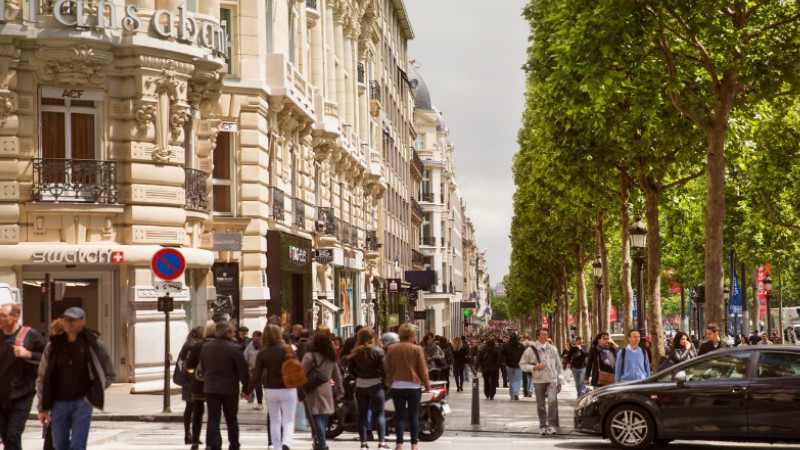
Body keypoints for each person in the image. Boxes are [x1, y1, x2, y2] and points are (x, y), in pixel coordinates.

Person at [36, 307, 115, 450]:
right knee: (59, 444)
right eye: (66, 320)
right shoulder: (53, 346)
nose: (68, 323)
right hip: (58, 403)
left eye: (72, 320)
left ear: (82, 321)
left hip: (82, 402)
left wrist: (93, 393)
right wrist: (42, 407)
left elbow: (109, 374)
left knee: (78, 445)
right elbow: (42, 376)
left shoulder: (94, 344)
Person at [0, 303, 46, 449]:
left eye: (3, 316)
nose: (0, 319)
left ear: (16, 316)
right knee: (6, 436)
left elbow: (48, 357)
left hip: (22, 393)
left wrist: (29, 354)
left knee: (13, 433)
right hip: (1, 395)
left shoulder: (30, 335)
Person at [199, 321, 249, 450]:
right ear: (227, 333)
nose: (233, 334)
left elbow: (203, 367)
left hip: (211, 388)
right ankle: (234, 445)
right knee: (231, 418)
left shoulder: (206, 347)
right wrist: (246, 388)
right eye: (232, 332)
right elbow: (242, 370)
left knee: (213, 418)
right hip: (229, 389)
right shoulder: (235, 348)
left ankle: (215, 445)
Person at [248, 324, 299, 450]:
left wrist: (247, 390)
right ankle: (287, 442)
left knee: (274, 419)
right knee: (288, 419)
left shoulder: (262, 352)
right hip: (288, 388)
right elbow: (298, 367)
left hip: (271, 389)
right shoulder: (288, 348)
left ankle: (276, 445)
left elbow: (257, 375)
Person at [384, 323, 430, 450]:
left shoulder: (392, 348)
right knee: (413, 416)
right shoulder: (417, 349)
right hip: (414, 386)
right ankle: (414, 444)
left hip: (397, 386)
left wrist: (389, 379)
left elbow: (387, 367)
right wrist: (427, 385)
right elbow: (423, 369)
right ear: (412, 335)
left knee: (399, 416)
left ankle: (399, 444)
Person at [347, 328, 388, 450]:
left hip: (361, 386)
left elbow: (350, 371)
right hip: (376, 385)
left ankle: (363, 443)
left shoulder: (355, 353)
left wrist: (358, 377)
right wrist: (384, 381)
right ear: (372, 337)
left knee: (362, 415)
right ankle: (381, 442)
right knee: (380, 414)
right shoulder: (379, 351)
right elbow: (384, 370)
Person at [303, 332, 344, 450]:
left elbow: (301, 372)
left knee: (315, 416)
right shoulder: (331, 357)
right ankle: (320, 441)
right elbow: (337, 376)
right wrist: (340, 390)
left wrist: (299, 387)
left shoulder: (309, 356)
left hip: (313, 389)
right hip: (327, 388)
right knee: (324, 416)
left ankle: (321, 443)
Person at [519, 328, 562, 435]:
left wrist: (560, 381)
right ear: (538, 336)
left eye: (547, 335)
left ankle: (551, 425)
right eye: (543, 335)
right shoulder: (530, 350)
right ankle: (543, 425)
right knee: (541, 405)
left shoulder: (553, 349)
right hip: (538, 380)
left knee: (552, 401)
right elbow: (522, 364)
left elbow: (558, 366)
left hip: (551, 379)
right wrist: (534, 367)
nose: (545, 337)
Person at [185, 323, 217, 450]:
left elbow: (189, 366)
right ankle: (210, 442)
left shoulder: (197, 346)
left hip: (198, 384)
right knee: (213, 414)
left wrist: (194, 375)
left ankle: (195, 440)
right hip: (214, 385)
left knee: (197, 413)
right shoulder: (218, 346)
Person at [178, 327, 205, 445]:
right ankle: (190, 435)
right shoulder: (192, 346)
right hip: (191, 381)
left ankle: (189, 434)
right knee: (193, 407)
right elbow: (189, 365)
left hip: (188, 380)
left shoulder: (188, 344)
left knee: (190, 407)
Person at [500, 332, 525, 400]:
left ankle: (511, 394)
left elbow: (501, 353)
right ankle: (516, 393)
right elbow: (524, 354)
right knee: (518, 379)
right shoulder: (520, 345)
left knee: (511, 380)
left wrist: (503, 360)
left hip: (509, 364)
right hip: (518, 364)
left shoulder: (506, 345)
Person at [244, 330, 264, 410]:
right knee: (255, 385)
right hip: (252, 368)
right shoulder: (250, 345)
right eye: (254, 336)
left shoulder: (263, 345)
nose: (255, 338)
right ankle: (256, 400)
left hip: (261, 368)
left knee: (258, 385)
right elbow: (245, 355)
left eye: (257, 336)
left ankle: (260, 402)